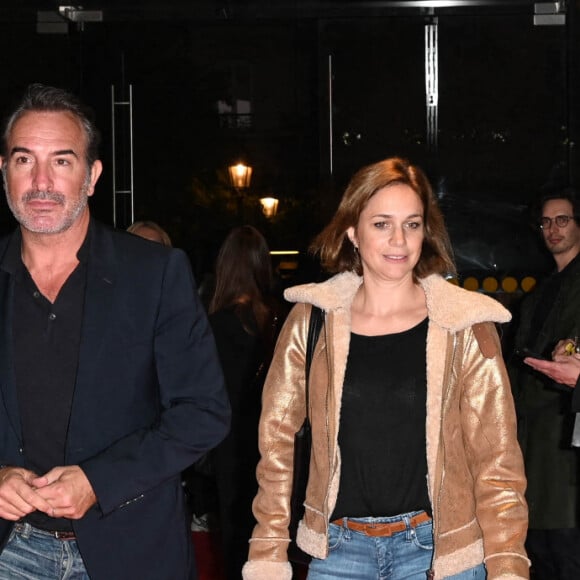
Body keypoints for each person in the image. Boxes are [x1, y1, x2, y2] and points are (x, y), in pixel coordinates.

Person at [243, 156, 529, 580]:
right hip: (339, 554)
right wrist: (268, 547)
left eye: (412, 224)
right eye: (382, 224)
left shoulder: (463, 325)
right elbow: (276, 443)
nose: (399, 239)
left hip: (439, 553)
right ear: (352, 232)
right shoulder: (312, 319)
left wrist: (507, 564)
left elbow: (497, 459)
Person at [0, 83, 230, 580]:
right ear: (3, 171)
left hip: (130, 549)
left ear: (92, 175)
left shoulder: (155, 273)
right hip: (10, 552)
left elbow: (203, 412)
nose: (41, 181)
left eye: (61, 161)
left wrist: (99, 481)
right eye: (24, 160)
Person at [508, 187, 580, 579]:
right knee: (543, 550)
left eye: (563, 220)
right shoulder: (541, 292)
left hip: (566, 429)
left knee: (564, 547)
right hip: (535, 435)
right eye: (547, 222)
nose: (553, 229)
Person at [208, 225, 281, 580]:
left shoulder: (215, 325)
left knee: (236, 539)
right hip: (273, 441)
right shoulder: (278, 320)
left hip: (229, 444)